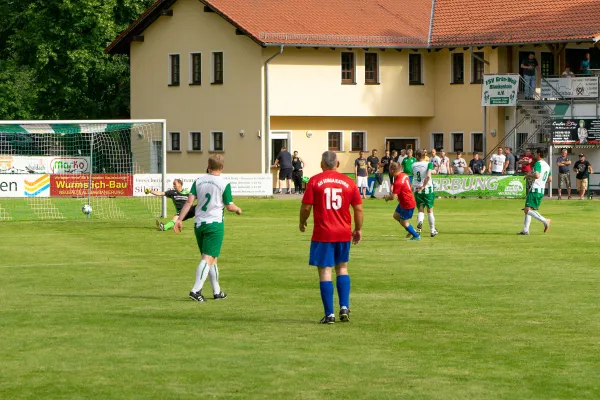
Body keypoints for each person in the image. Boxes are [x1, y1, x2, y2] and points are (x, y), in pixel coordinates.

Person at [299, 151, 363, 324]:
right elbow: (358, 209)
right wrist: (357, 229)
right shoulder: (349, 182)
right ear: (338, 164)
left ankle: (329, 314)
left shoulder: (315, 181)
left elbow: (306, 207)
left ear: (322, 164)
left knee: (325, 270)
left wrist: (302, 222)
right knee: (342, 268)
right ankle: (344, 307)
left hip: (323, 233)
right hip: (343, 233)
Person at [175, 154, 242, 302]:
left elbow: (189, 202)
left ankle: (217, 291)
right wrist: (238, 209)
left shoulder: (198, 181)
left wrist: (179, 219)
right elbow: (229, 206)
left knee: (212, 258)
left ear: (208, 165)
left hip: (199, 224)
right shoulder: (224, 183)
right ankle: (196, 290)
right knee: (208, 258)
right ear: (222, 167)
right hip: (215, 225)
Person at [518, 148, 552, 235]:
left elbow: (537, 175)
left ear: (539, 154)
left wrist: (529, 174)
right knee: (529, 208)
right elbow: (550, 179)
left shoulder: (538, 163)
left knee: (527, 210)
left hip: (535, 189)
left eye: (536, 153)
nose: (535, 154)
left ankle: (545, 220)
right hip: (541, 190)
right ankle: (525, 230)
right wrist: (542, 181)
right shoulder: (548, 166)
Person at [383, 162, 420, 241]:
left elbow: (393, 197)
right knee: (396, 216)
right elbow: (409, 186)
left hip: (407, 203)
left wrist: (386, 198)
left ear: (392, 170)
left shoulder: (398, 181)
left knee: (403, 222)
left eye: (389, 169)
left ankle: (416, 235)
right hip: (404, 201)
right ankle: (409, 228)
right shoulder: (404, 175)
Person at [411, 150, 438, 237]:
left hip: (417, 189)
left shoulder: (413, 165)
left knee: (420, 210)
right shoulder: (428, 164)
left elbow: (418, 174)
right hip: (427, 189)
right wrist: (424, 185)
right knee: (430, 210)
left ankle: (419, 229)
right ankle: (432, 230)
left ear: (417, 156)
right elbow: (428, 175)